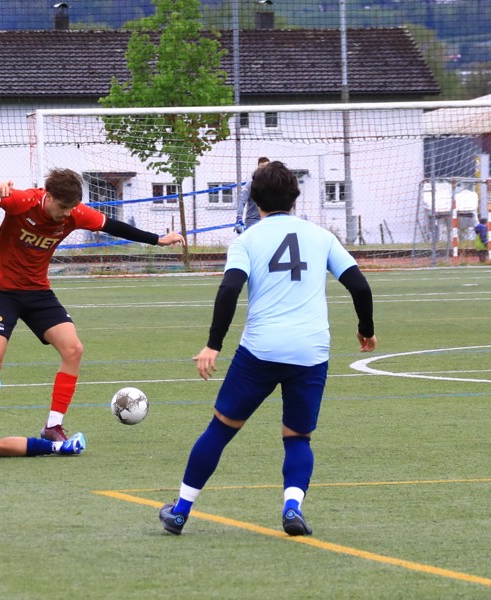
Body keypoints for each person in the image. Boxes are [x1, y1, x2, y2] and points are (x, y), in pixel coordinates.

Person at [158, 161, 377, 537]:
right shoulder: (320, 236)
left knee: (221, 428)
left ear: (255, 200)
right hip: (310, 352)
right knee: (297, 437)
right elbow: (360, 287)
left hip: (260, 350)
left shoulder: (247, 240)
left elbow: (229, 289)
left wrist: (213, 344)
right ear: (295, 197)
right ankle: (292, 508)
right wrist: (366, 330)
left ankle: (180, 511)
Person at [0, 168, 184, 441]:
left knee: (73, 349)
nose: (67, 214)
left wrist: (157, 240)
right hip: (1, 291)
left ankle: (52, 427)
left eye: (71, 207)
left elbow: (114, 226)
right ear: (48, 196)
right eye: (62, 207)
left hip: (38, 292)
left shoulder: (76, 212)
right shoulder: (23, 202)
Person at [234, 156, 270, 233]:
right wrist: (239, 218)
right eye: (262, 167)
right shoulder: (250, 185)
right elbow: (242, 201)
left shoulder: (273, 184)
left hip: (268, 220)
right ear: (258, 168)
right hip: (253, 221)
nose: (265, 170)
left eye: (267, 167)